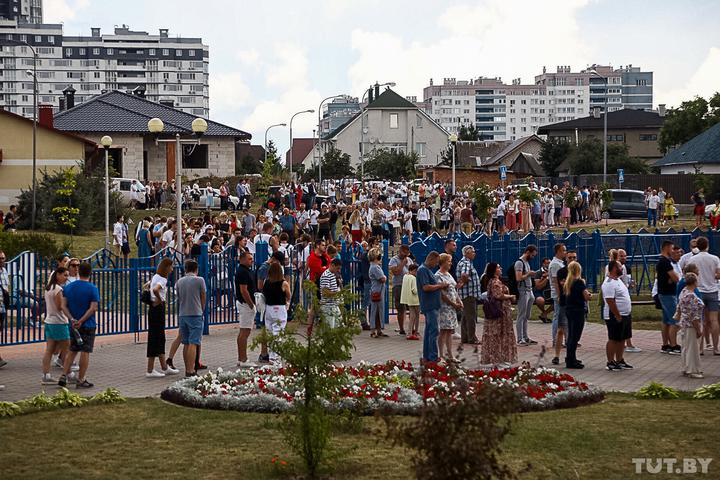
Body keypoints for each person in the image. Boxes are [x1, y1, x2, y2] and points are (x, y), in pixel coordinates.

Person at [58, 262, 100, 389]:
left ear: (78, 271)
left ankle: (63, 375)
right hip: (87, 324)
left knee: (72, 350)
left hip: (73, 324)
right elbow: (93, 308)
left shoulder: (69, 287)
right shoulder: (92, 288)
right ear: (90, 273)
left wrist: (72, 319)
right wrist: (81, 320)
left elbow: (63, 306)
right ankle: (81, 379)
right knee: (85, 351)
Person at [145, 258, 179, 378]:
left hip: (153, 309)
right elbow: (155, 289)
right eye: (171, 267)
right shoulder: (163, 280)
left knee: (158, 336)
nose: (172, 269)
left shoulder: (155, 277)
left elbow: (147, 286)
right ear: (166, 267)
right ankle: (150, 369)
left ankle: (164, 366)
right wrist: (160, 299)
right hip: (158, 308)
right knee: (157, 336)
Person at [687, 236, 720, 355]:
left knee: (700, 320)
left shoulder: (692, 259)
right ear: (707, 246)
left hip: (698, 291)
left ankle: (700, 348)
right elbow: (718, 275)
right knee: (714, 320)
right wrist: (712, 276)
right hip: (712, 290)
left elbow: (689, 275)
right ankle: (716, 347)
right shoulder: (714, 258)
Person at [480, 262, 517, 366]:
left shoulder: (492, 281)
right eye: (498, 267)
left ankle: (498, 358)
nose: (500, 268)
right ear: (494, 270)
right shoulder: (495, 281)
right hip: (500, 311)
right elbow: (498, 295)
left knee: (496, 334)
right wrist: (510, 296)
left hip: (498, 310)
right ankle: (498, 359)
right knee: (499, 334)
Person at [174, 259, 207, 377]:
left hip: (183, 313)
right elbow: (203, 295)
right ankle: (191, 370)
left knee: (186, 342)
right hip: (195, 313)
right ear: (196, 269)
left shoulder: (179, 281)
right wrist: (202, 309)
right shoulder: (199, 280)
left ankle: (187, 368)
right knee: (194, 342)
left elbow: (178, 296)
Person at [41, 267, 71, 385]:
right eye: (65, 275)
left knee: (49, 349)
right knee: (66, 350)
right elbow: (60, 306)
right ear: (57, 275)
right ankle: (68, 374)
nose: (66, 278)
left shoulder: (48, 288)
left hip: (49, 321)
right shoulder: (58, 289)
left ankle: (46, 375)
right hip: (59, 322)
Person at [416, 251, 447, 363]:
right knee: (434, 331)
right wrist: (440, 285)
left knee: (429, 330)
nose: (436, 265)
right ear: (431, 259)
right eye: (436, 262)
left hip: (432, 304)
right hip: (430, 304)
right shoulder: (423, 270)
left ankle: (427, 356)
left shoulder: (426, 270)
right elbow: (426, 287)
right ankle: (432, 357)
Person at [563, 261, 591, 369]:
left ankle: (570, 357)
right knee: (575, 336)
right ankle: (571, 360)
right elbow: (586, 296)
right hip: (578, 310)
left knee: (571, 335)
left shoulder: (568, 282)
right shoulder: (579, 282)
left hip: (569, 310)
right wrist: (589, 295)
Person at [676, 272, 704, 378]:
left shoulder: (684, 292)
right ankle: (692, 370)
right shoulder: (691, 296)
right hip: (691, 325)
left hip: (684, 323)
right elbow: (694, 316)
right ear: (695, 282)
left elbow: (679, 308)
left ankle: (685, 367)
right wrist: (698, 330)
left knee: (685, 347)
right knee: (693, 348)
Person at [436, 253, 462, 363]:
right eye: (449, 261)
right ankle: (441, 355)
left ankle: (450, 354)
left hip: (451, 307)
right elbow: (442, 294)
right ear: (442, 262)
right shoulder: (438, 276)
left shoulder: (448, 274)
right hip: (444, 307)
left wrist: (459, 300)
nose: (450, 263)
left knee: (449, 331)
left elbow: (453, 289)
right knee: (443, 331)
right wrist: (453, 303)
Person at [262, 262, 291, 364]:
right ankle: (275, 356)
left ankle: (271, 355)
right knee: (278, 332)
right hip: (279, 308)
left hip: (269, 308)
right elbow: (288, 295)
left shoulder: (267, 282)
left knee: (269, 331)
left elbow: (263, 293)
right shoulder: (283, 283)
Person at [657, 240, 680, 355]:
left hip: (664, 293)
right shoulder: (665, 262)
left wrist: (672, 278)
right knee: (674, 320)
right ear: (666, 248)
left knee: (666, 320)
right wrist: (673, 278)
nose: (673, 251)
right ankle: (673, 345)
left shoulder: (662, 261)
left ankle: (665, 344)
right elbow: (675, 278)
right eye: (671, 249)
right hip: (668, 294)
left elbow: (672, 278)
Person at [235, 251, 257, 367]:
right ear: (242, 259)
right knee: (245, 331)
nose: (251, 260)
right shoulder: (242, 272)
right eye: (249, 259)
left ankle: (241, 358)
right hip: (245, 304)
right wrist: (251, 305)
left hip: (245, 304)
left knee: (244, 331)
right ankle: (243, 359)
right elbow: (244, 290)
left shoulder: (247, 271)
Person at [456, 245, 481, 344]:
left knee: (465, 316)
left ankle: (465, 337)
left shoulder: (464, 262)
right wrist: (464, 281)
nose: (474, 253)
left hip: (465, 294)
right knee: (471, 317)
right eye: (472, 252)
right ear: (466, 253)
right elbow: (464, 275)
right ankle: (472, 338)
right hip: (468, 294)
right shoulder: (466, 263)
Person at [515, 245, 538, 346]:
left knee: (526, 316)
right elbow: (518, 278)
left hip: (529, 290)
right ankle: (520, 338)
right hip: (523, 290)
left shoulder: (527, 263)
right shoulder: (519, 263)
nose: (532, 257)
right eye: (532, 255)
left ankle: (525, 336)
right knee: (521, 315)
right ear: (528, 252)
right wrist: (528, 274)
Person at [389, 245, 413, 336]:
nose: (406, 255)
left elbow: (413, 271)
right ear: (400, 251)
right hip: (398, 285)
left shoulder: (409, 260)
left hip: (409, 285)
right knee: (400, 307)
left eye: (407, 253)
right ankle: (401, 328)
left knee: (411, 307)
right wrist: (403, 262)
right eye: (404, 253)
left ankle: (411, 328)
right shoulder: (394, 260)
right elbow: (396, 272)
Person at [548, 243, 567, 347]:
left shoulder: (560, 263)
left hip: (562, 293)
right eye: (563, 250)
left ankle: (562, 339)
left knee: (562, 317)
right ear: (558, 251)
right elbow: (556, 281)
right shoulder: (555, 264)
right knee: (558, 317)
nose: (565, 252)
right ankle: (555, 340)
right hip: (558, 294)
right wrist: (559, 296)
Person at [368, 247, 387, 338]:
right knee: (375, 311)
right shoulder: (375, 267)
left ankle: (378, 330)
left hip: (377, 290)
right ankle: (373, 330)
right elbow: (382, 279)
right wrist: (385, 277)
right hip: (377, 291)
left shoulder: (374, 266)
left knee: (378, 311)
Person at [320, 258, 343, 328]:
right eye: (337, 268)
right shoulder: (326, 276)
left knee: (338, 326)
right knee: (330, 328)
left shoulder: (332, 274)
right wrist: (337, 293)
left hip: (334, 305)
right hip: (328, 306)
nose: (338, 270)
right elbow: (325, 292)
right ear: (332, 265)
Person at [400, 263, 421, 340]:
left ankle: (409, 332)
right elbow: (414, 290)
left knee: (412, 316)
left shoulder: (405, 276)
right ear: (414, 270)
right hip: (415, 300)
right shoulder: (413, 278)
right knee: (416, 316)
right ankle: (415, 331)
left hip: (408, 299)